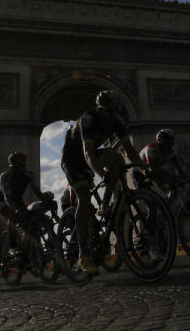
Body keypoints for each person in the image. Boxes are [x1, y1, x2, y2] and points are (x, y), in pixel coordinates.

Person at [59, 89, 139, 275]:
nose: (113, 116)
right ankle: (83, 252)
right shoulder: (88, 120)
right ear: (100, 109)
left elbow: (129, 150)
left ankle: (104, 203)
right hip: (73, 159)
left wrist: (145, 169)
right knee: (84, 198)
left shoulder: (116, 121)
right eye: (109, 112)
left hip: (92, 156)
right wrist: (102, 174)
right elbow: (88, 154)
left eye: (115, 112)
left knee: (118, 160)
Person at [0, 151, 50, 257]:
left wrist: (47, 202)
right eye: (18, 166)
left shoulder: (29, 174)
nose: (22, 168)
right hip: (3, 200)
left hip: (18, 199)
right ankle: (13, 246)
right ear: (11, 166)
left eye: (23, 165)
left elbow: (37, 192)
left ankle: (27, 245)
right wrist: (16, 209)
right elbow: (7, 198)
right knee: (12, 214)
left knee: (29, 220)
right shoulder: (5, 176)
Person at [138, 128, 189, 195]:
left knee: (175, 180)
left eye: (171, 142)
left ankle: (168, 200)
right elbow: (152, 172)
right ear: (160, 142)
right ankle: (167, 195)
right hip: (139, 172)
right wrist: (166, 191)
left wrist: (189, 182)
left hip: (154, 170)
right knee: (152, 178)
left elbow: (179, 169)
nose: (170, 146)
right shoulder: (151, 149)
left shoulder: (171, 151)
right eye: (167, 143)